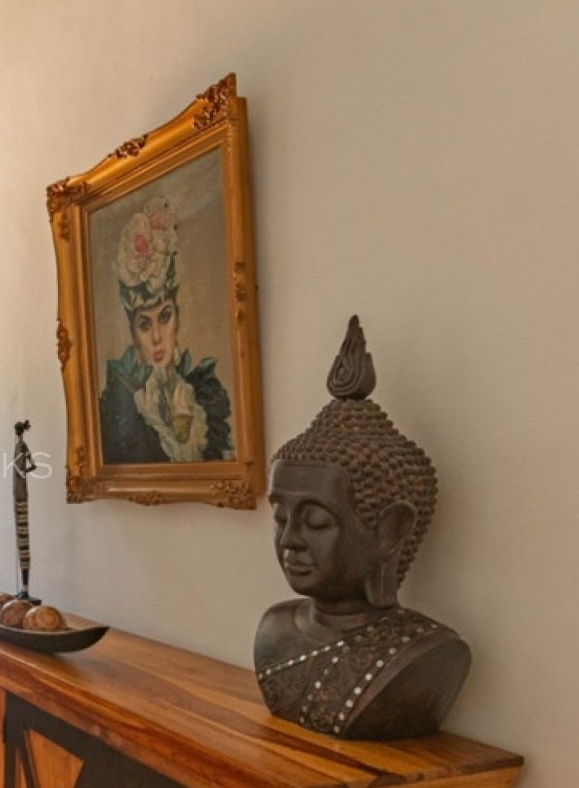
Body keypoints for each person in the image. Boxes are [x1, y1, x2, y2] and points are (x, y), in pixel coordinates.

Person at [252, 317, 470, 740]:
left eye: (317, 521)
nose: (289, 540)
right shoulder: (274, 630)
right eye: (280, 517)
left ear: (390, 532)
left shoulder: (425, 653)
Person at [96, 198, 233, 464]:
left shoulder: (204, 394)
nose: (157, 337)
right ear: (134, 335)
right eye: (145, 325)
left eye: (165, 317)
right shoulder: (121, 409)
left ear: (177, 318)